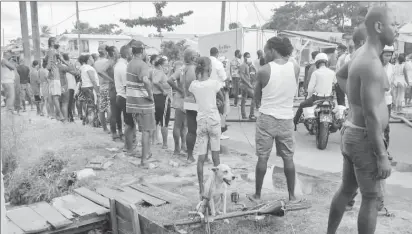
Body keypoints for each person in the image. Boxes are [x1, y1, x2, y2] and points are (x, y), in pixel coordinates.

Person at [327, 7, 397, 234]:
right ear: (379, 27)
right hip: (364, 137)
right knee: (371, 197)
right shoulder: (372, 65)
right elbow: (372, 117)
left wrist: (352, 98)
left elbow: (340, 75)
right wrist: (382, 155)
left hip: (352, 131)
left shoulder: (360, 54)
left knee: (347, 189)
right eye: (393, 24)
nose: (396, 30)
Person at [249, 36, 300, 204]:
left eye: (265, 50)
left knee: (263, 157)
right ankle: (292, 196)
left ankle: (257, 195)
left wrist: (259, 102)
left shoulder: (264, 70)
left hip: (267, 118)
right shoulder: (295, 67)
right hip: (286, 118)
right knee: (288, 158)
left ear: (272, 50)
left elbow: (256, 96)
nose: (265, 54)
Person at [189, 56, 223, 199]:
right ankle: (218, 187)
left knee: (201, 157)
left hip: (201, 121)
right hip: (214, 120)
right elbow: (220, 97)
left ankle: (202, 190)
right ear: (209, 69)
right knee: (216, 156)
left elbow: (194, 98)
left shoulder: (194, 85)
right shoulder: (214, 83)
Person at [126, 40, 155, 166]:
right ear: (142, 51)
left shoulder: (130, 63)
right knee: (147, 131)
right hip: (143, 103)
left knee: (143, 130)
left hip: (133, 102)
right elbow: (145, 80)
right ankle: (144, 160)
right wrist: (150, 94)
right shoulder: (142, 65)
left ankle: (146, 155)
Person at [293, 53, 336, 128]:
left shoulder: (316, 73)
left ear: (317, 63)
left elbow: (310, 88)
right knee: (335, 113)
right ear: (326, 62)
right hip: (329, 99)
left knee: (302, 105)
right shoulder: (332, 73)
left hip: (317, 98)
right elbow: (336, 84)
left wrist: (308, 97)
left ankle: (295, 122)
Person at [115, 45, 135, 152]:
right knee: (129, 124)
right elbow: (127, 86)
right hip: (125, 97)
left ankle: (128, 146)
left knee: (129, 123)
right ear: (127, 55)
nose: (132, 56)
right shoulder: (123, 67)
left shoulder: (119, 65)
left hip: (120, 96)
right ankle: (129, 148)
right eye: (131, 53)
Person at [182, 48, 199, 163]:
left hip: (188, 99)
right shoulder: (192, 69)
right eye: (196, 55)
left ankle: (190, 155)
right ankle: (191, 155)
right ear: (192, 58)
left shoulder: (184, 68)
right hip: (195, 100)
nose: (197, 57)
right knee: (194, 130)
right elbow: (194, 85)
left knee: (191, 129)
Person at [167, 60, 188, 154]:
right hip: (184, 99)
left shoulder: (184, 70)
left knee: (183, 124)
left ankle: (182, 146)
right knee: (180, 124)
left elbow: (170, 80)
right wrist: (180, 90)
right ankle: (178, 147)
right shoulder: (183, 70)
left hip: (185, 99)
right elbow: (169, 80)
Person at [152, 57, 172, 149]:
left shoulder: (154, 71)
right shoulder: (159, 72)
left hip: (155, 97)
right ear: (160, 65)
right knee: (164, 122)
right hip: (162, 98)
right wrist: (163, 90)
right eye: (165, 65)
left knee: (155, 120)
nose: (167, 67)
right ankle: (165, 144)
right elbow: (155, 81)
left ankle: (154, 140)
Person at [46, 37, 65, 121]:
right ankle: (59, 115)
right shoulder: (51, 50)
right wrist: (50, 71)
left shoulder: (54, 51)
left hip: (55, 75)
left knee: (55, 96)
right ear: (52, 43)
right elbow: (49, 63)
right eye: (56, 41)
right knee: (55, 96)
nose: (58, 43)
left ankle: (56, 114)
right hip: (54, 75)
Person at [94, 44, 111, 133]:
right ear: (106, 52)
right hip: (109, 86)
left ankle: (104, 128)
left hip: (101, 87)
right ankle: (111, 125)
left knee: (101, 109)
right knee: (110, 107)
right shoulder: (108, 62)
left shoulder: (95, 63)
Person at [79, 54, 100, 125]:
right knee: (92, 105)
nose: (93, 59)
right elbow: (93, 80)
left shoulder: (83, 67)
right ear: (88, 60)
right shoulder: (89, 68)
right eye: (91, 58)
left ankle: (86, 120)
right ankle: (92, 122)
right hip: (90, 87)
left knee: (89, 104)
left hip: (84, 87)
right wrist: (97, 91)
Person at [239, 52, 256, 120]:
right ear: (244, 57)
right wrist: (249, 84)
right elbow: (242, 76)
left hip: (245, 84)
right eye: (247, 57)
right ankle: (251, 115)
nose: (248, 58)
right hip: (245, 85)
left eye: (249, 57)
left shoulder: (247, 65)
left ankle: (244, 115)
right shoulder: (243, 65)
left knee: (243, 99)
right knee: (254, 96)